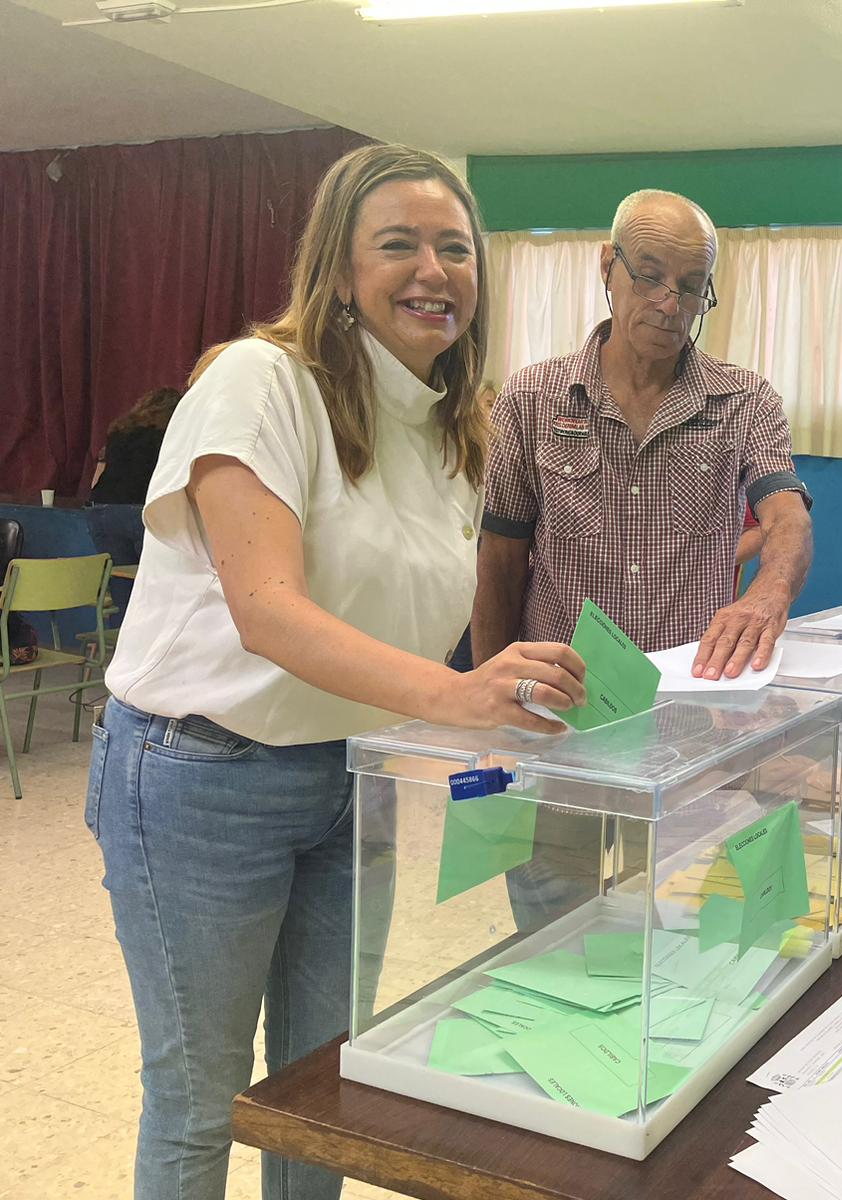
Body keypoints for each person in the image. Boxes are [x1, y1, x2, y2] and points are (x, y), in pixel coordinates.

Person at [88, 144, 586, 1200]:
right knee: (200, 1099)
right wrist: (456, 695)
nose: (432, 270)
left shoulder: (458, 421)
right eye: (397, 244)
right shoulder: (259, 383)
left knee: (324, 1088)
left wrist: (502, 688)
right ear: (335, 266)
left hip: (344, 776)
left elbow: (413, 615)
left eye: (455, 249)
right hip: (199, 776)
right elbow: (267, 612)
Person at [473, 187, 813, 682]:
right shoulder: (531, 398)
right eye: (650, 277)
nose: (670, 305)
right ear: (608, 265)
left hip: (692, 694)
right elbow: (499, 563)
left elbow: (787, 516)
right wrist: (493, 697)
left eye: (692, 286)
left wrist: (770, 591)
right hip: (562, 697)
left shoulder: (746, 401)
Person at [86, 385, 182, 566]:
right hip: (142, 509)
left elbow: (97, 479)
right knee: (150, 577)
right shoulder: (170, 435)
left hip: (102, 509)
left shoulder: (119, 431)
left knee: (119, 577)